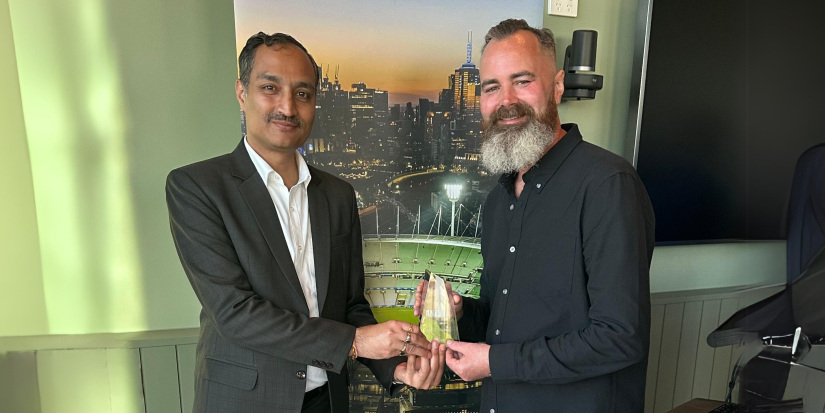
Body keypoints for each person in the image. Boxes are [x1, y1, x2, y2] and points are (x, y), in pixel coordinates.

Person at [166, 32, 446, 413]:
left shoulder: (338, 194)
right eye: (270, 87)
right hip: (243, 401)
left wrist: (395, 367)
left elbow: (349, 305)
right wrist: (356, 342)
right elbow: (235, 314)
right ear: (241, 93)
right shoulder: (197, 188)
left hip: (326, 401)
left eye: (303, 94)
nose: (288, 106)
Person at [414, 19, 655, 412]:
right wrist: (463, 312)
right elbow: (504, 319)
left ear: (557, 86)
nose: (506, 100)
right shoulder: (498, 201)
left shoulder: (608, 185)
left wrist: (493, 362)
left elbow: (620, 337)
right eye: (492, 87)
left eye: (522, 81)